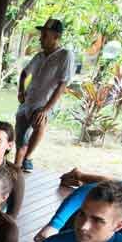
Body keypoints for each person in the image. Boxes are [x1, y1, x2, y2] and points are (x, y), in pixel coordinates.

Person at [14, 18, 74, 173]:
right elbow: (24, 73)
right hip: (27, 102)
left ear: (56, 36)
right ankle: (20, 162)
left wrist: (46, 109)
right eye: (42, 35)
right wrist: (21, 90)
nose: (40, 38)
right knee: (19, 137)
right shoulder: (39, 56)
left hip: (44, 103)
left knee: (40, 123)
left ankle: (27, 158)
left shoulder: (65, 55)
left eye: (45, 35)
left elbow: (62, 85)